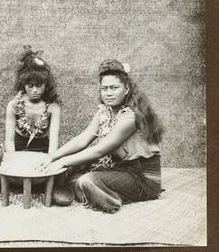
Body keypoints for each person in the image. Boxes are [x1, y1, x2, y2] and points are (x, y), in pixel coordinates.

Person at [39, 59, 164, 213]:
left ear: (126, 89)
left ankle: (112, 198)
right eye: (104, 89)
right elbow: (83, 139)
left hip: (142, 177)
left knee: (86, 180)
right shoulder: (105, 111)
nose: (108, 93)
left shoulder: (130, 117)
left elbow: (99, 151)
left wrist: (63, 162)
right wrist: (53, 157)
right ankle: (87, 189)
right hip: (119, 167)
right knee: (71, 170)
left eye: (114, 88)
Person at [5, 45, 61, 154]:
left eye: (39, 85)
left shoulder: (53, 107)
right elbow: (9, 141)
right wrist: (12, 160)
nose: (35, 90)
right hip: (18, 148)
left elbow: (54, 142)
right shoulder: (13, 105)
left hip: (42, 148)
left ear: (46, 84)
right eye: (30, 85)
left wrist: (49, 161)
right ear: (23, 84)